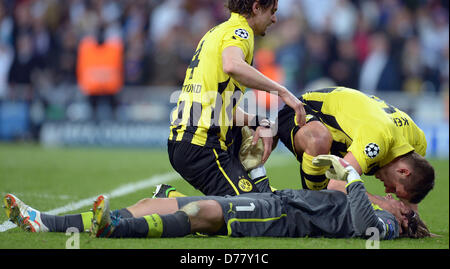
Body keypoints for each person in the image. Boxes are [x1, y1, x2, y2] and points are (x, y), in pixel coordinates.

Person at [3, 155, 431, 239]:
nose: (392, 196)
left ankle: (113, 227)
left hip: (279, 220)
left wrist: (355, 179)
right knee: (157, 204)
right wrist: (258, 169)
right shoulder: (378, 205)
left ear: (405, 216)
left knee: (201, 210)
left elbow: (364, 228)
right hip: (276, 203)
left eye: (400, 201)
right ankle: (45, 221)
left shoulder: (388, 224)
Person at [167, 0, 305, 197]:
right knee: (252, 212)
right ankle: (168, 201)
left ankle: (168, 199)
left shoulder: (216, 32)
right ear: (256, 7)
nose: (275, 19)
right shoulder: (241, 32)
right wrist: (282, 91)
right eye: (272, 11)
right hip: (202, 145)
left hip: (185, 140)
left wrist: (257, 121)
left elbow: (218, 105)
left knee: (248, 205)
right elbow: (232, 65)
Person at [274, 86, 435, 211]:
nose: (387, 189)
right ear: (403, 171)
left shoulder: (417, 143)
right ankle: (311, 206)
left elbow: (411, 186)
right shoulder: (378, 139)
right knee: (319, 142)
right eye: (394, 188)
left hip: (345, 130)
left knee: (340, 204)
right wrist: (383, 204)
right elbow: (337, 185)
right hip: (303, 108)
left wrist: (413, 219)